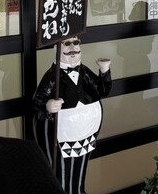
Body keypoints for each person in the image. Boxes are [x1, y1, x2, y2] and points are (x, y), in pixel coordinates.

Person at [33, 36, 112, 194]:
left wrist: (104, 71)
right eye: (67, 43)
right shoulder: (53, 75)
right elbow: (38, 99)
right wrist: (48, 105)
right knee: (61, 172)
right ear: (56, 48)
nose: (72, 48)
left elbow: (102, 91)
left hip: (86, 135)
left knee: (80, 172)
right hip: (62, 136)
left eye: (76, 43)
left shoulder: (84, 71)